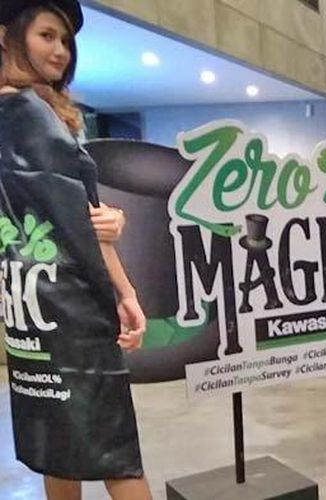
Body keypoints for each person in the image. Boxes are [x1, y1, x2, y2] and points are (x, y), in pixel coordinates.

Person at [0, 1, 152, 499]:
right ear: (7, 36)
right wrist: (124, 292)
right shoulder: (31, 113)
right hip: (72, 309)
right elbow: (83, 222)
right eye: (46, 35)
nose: (61, 50)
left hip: (24, 308)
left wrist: (105, 221)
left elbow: (77, 216)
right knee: (117, 452)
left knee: (58, 443)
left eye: (65, 40)